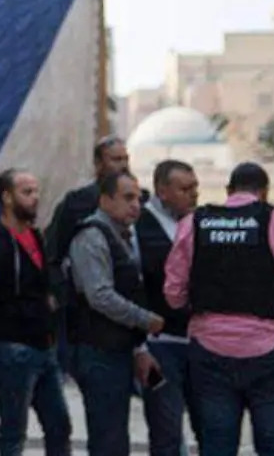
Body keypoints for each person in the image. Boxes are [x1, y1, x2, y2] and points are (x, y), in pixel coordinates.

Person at [164, 162, 274, 456]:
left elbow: (173, 294)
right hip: (270, 351)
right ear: (264, 192)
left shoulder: (194, 223)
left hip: (209, 350)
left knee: (216, 445)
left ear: (229, 191)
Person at [0, 169, 72, 456]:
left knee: (59, 426)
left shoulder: (35, 236)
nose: (35, 197)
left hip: (44, 345)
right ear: (7, 197)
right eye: (27, 192)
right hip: (12, 348)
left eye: (36, 191)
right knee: (14, 432)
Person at [68, 171, 164, 456]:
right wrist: (145, 320)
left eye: (139, 198)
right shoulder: (92, 236)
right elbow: (100, 295)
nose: (136, 205)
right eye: (127, 197)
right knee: (108, 439)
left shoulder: (120, 236)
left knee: (116, 437)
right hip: (99, 352)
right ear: (105, 200)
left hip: (119, 349)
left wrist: (139, 347)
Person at [45, 135, 135, 369]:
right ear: (98, 164)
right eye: (115, 159)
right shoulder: (78, 202)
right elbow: (54, 252)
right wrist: (62, 296)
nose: (123, 165)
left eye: (125, 159)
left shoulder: (140, 200)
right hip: (88, 314)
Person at [134, 160, 202, 455]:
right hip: (158, 345)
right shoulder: (139, 227)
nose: (193, 194)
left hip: (199, 343)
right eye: (184, 189)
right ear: (162, 191)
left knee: (210, 426)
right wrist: (139, 347)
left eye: (195, 187)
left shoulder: (200, 222)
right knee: (165, 431)